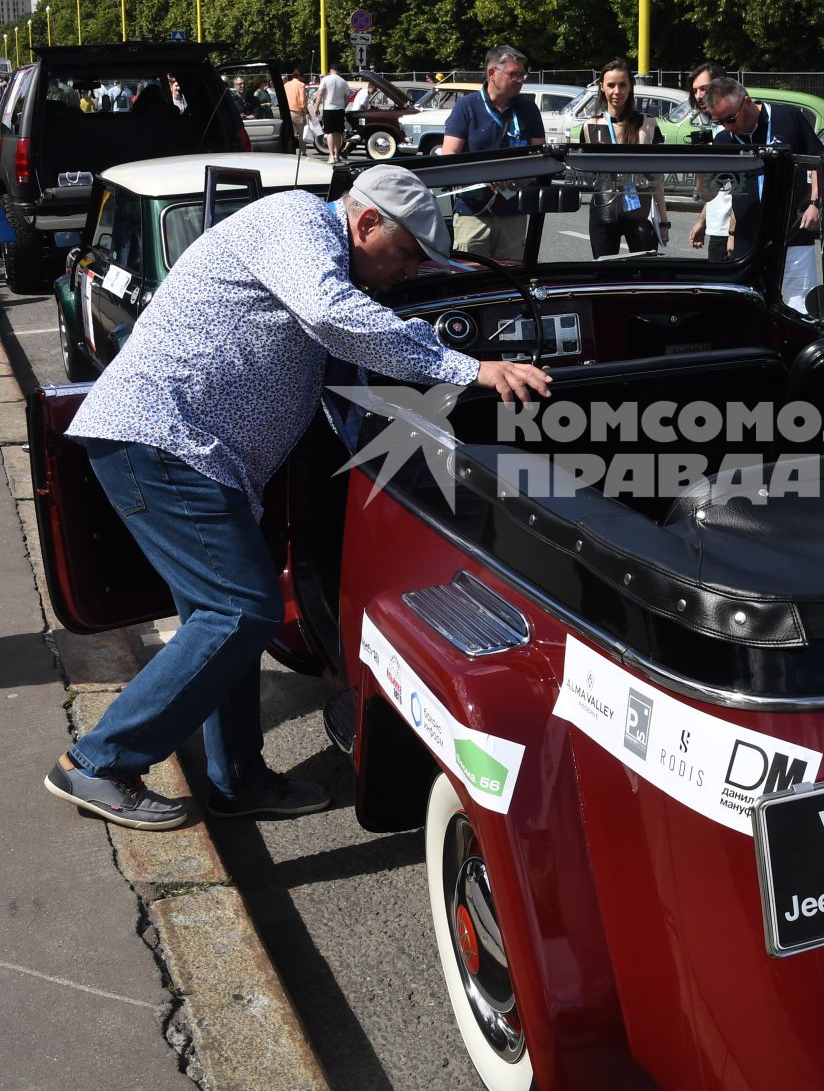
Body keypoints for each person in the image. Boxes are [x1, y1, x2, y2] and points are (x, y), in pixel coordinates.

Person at [48, 164, 552, 830]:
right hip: (165, 441)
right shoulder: (298, 223)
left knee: (220, 616)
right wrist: (468, 368)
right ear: (367, 222)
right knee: (241, 611)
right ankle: (99, 760)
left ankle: (238, 781)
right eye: (405, 258)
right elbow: (329, 315)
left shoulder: (319, 249)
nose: (407, 276)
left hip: (194, 453)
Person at [696, 78, 823, 295]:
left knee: (799, 307)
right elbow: (708, 194)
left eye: (730, 118)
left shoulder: (788, 117)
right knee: (752, 307)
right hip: (749, 241)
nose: (727, 127)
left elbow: (818, 160)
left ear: (746, 102)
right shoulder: (724, 140)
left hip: (792, 235)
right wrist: (700, 164)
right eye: (719, 121)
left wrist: (815, 203)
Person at [440, 44, 544, 260]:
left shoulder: (528, 109)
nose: (521, 79)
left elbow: (541, 155)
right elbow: (449, 156)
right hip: (473, 211)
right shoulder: (467, 107)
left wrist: (526, 176)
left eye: (522, 74)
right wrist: (482, 177)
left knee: (510, 278)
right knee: (469, 276)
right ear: (492, 73)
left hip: (514, 210)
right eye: (514, 74)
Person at [573, 59, 669, 257]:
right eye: (611, 85)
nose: (617, 91)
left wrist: (663, 220)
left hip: (640, 209)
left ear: (630, 86)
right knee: (605, 273)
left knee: (645, 273)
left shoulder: (647, 123)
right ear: (602, 87)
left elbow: (656, 176)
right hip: (604, 207)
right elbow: (584, 173)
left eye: (623, 84)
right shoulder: (590, 126)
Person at [312, 61, 351, 160]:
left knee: (329, 133)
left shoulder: (325, 79)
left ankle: (331, 155)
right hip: (340, 109)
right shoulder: (343, 82)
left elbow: (320, 94)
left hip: (328, 109)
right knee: (338, 133)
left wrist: (316, 108)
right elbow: (347, 99)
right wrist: (343, 106)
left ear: (331, 70)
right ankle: (337, 155)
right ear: (339, 71)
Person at [284, 68, 308, 144]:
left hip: (287, 112)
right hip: (298, 112)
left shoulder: (286, 84)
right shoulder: (301, 85)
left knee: (289, 134)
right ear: (300, 76)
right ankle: (303, 152)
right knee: (301, 134)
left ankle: (290, 151)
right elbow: (302, 99)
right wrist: (304, 110)